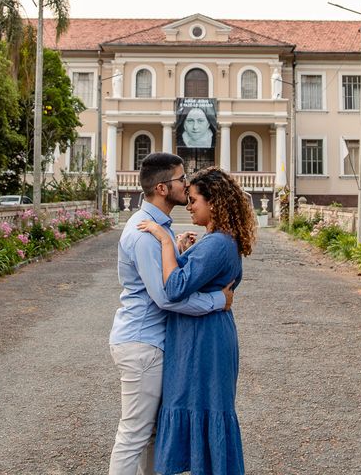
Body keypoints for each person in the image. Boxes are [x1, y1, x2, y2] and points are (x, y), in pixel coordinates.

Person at [108, 153, 234, 475]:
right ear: (163, 188)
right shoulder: (146, 233)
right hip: (143, 343)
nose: (187, 184)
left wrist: (175, 249)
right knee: (134, 434)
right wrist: (217, 301)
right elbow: (167, 295)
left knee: (151, 434)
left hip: (150, 342)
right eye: (181, 179)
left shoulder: (157, 229)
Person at [137, 166, 257, 475]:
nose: (188, 207)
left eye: (193, 201)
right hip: (203, 332)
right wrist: (180, 252)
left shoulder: (217, 243)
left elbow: (174, 287)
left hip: (204, 340)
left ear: (214, 202)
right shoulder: (216, 240)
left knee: (205, 406)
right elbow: (189, 278)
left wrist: (165, 242)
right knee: (200, 406)